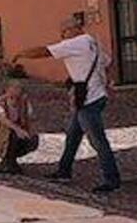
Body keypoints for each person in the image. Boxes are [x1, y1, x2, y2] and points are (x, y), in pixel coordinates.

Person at [16, 17, 120, 192]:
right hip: (95, 96)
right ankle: (64, 170)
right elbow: (108, 63)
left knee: (98, 141)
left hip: (89, 100)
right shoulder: (92, 42)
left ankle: (112, 179)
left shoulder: (76, 43)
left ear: (72, 29)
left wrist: (20, 54)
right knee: (72, 136)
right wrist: (105, 81)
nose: (62, 36)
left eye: (63, 32)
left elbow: (45, 51)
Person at [0, 81, 38, 175]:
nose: (15, 100)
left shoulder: (24, 103)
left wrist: (29, 132)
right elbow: (2, 119)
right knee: (13, 134)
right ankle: (7, 161)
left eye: (17, 96)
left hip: (18, 133)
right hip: (0, 136)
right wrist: (18, 130)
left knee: (32, 139)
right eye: (12, 96)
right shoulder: (0, 103)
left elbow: (29, 118)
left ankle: (12, 160)